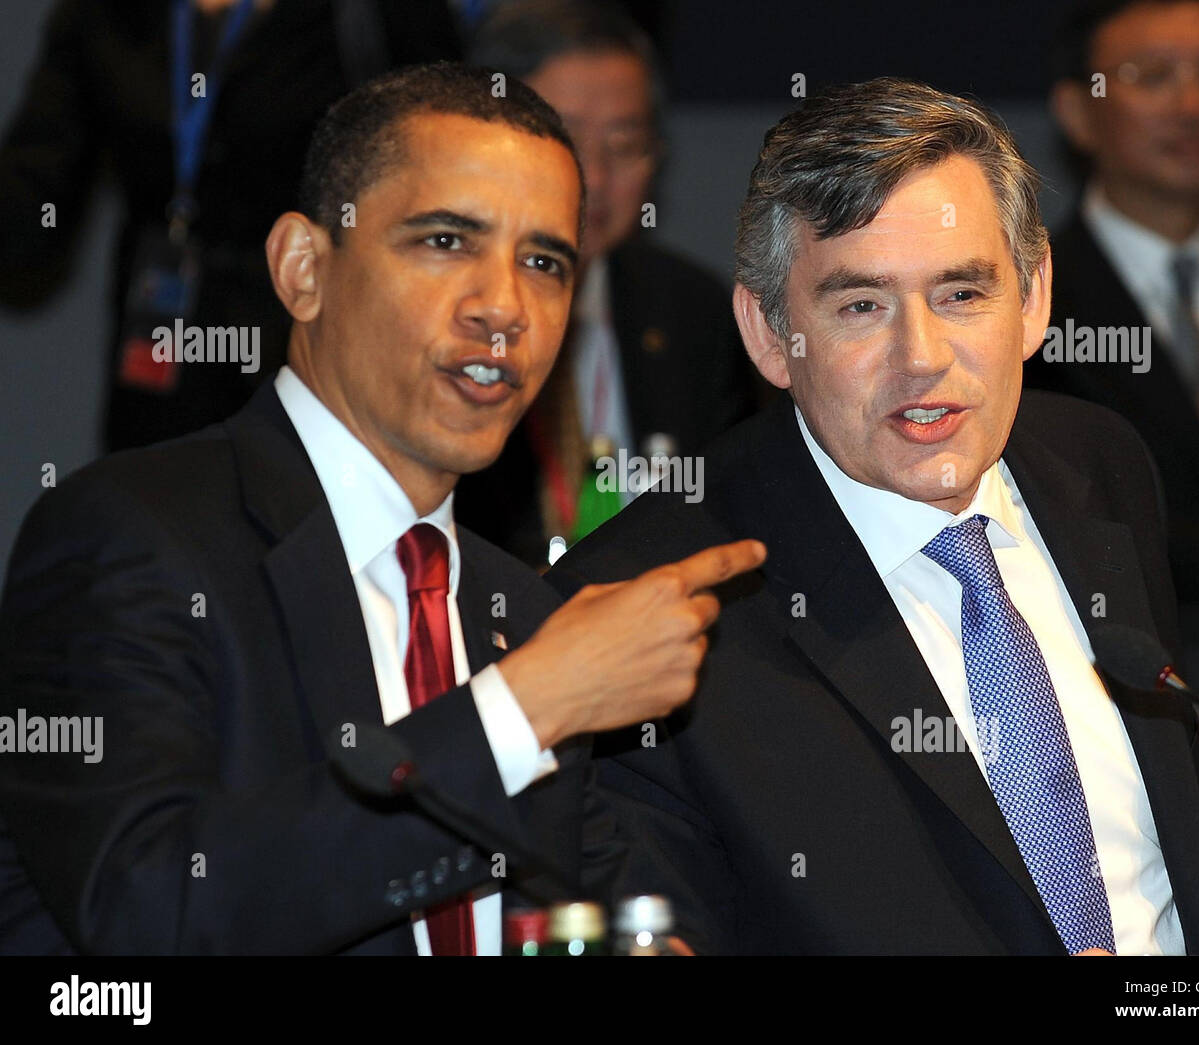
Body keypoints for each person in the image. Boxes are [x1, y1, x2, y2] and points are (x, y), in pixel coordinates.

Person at [0, 62, 763, 955]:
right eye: (446, 241)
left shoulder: (519, 609)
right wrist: (523, 707)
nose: (503, 307)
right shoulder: (129, 537)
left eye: (545, 261)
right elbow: (151, 909)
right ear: (303, 269)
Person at [547, 78, 1199, 955]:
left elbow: (1164, 840)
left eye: (962, 295)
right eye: (861, 306)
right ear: (771, 333)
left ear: (1034, 297)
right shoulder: (644, 602)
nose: (920, 357)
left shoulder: (1097, 464)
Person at [0, 0, 462, 452]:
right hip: (160, 356)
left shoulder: (371, 14)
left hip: (316, 364)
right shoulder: (105, 14)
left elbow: (443, 177)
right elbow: (31, 212)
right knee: (155, 509)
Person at [456, 0, 759, 567]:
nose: (594, 178)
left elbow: (731, 509)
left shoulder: (690, 307)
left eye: (624, 146)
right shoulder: (450, 310)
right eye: (563, 139)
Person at [1023, 0, 1199, 611]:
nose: (1193, 106)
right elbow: (1060, 511)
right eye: (1152, 77)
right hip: (1121, 666)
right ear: (1076, 111)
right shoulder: (1025, 306)